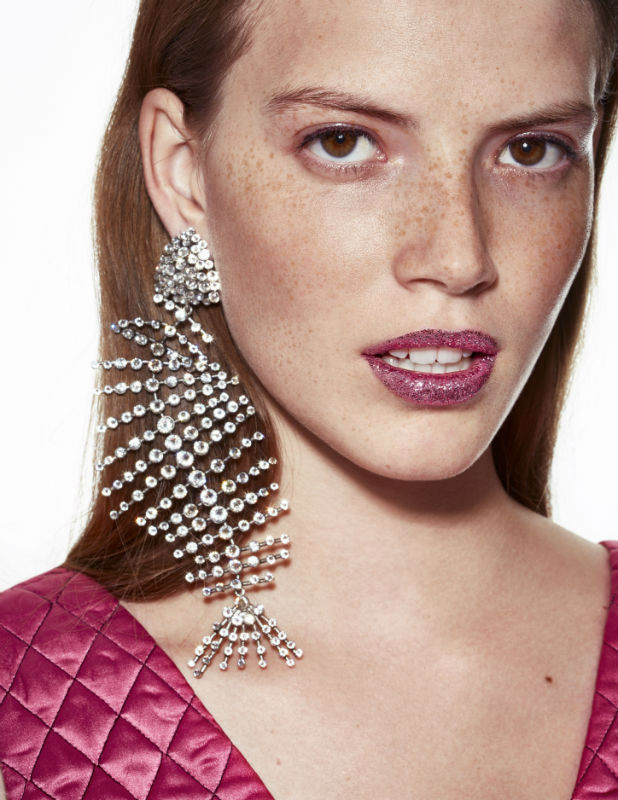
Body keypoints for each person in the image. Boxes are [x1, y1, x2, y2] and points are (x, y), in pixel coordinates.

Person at [1, 0, 617, 797]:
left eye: (531, 151)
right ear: (184, 171)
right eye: (344, 143)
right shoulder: (21, 709)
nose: (459, 257)